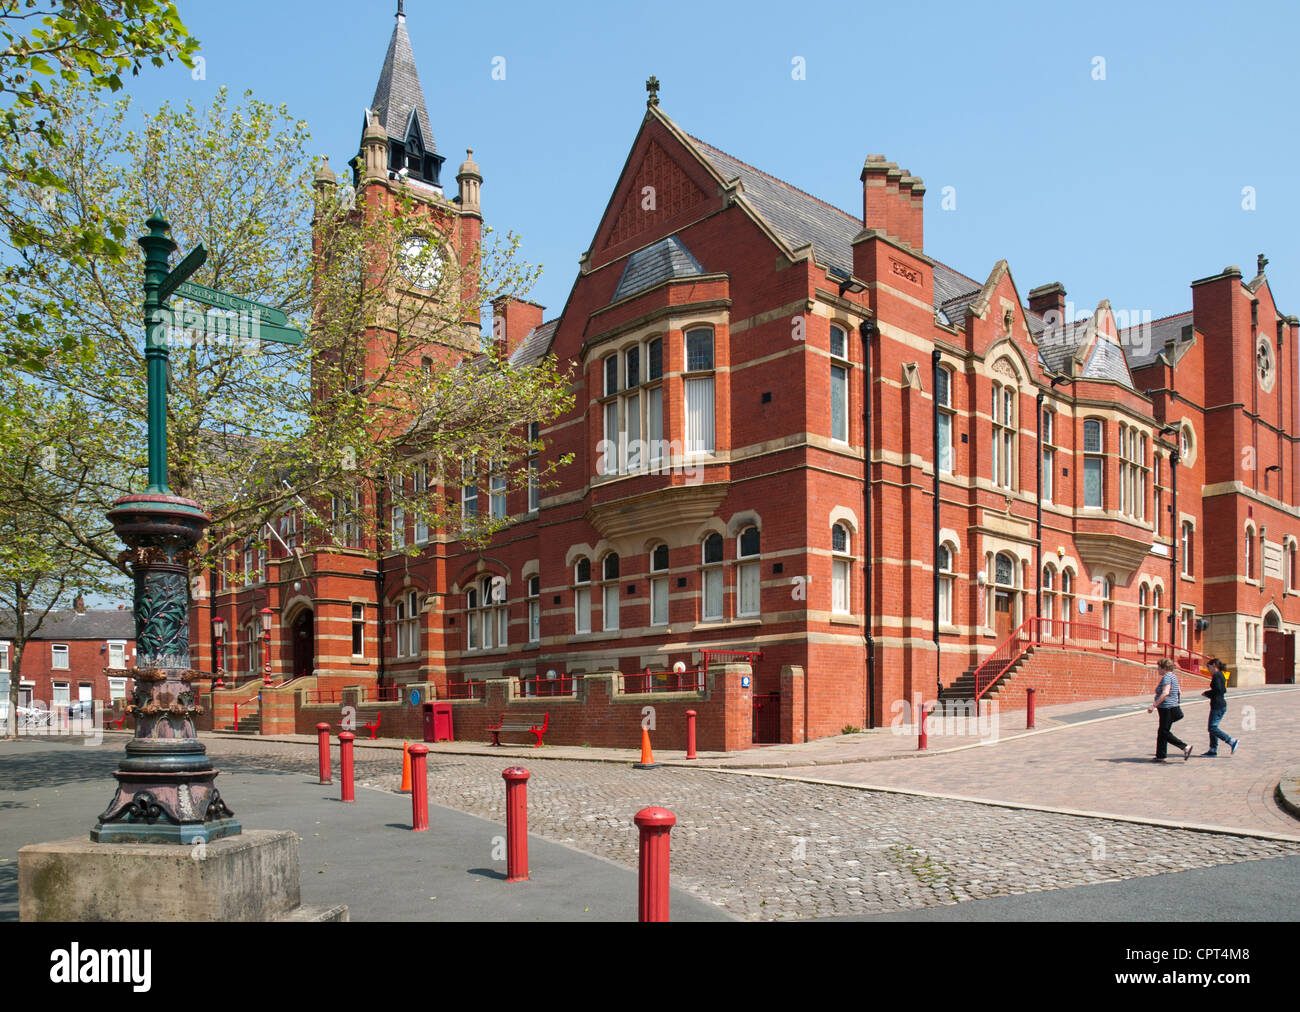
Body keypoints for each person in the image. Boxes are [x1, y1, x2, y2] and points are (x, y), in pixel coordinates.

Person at [1147, 657, 1191, 762]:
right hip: (1172, 707)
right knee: (1162, 731)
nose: (1158, 670)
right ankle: (1160, 755)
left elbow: (1165, 692)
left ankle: (1185, 747)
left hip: (1167, 708)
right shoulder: (1174, 676)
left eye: (1159, 668)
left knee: (1164, 732)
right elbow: (1179, 691)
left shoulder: (1166, 677)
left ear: (1164, 668)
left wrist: (1154, 705)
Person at [1200, 658, 1240, 757]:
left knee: (1212, 728)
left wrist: (1207, 693)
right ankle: (1213, 749)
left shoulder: (1217, 675)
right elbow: (1223, 690)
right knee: (1213, 727)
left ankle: (1231, 741)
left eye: (1209, 667)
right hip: (1219, 704)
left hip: (1217, 705)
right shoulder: (1220, 675)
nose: (1208, 670)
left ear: (1214, 665)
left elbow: (1218, 690)